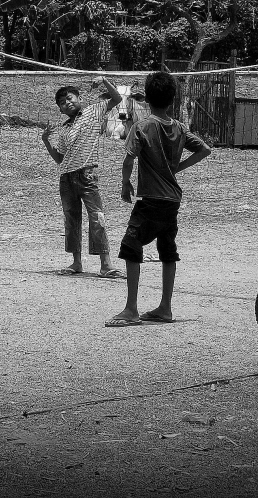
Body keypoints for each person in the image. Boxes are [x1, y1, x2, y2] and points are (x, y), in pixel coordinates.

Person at [105, 70, 211, 327]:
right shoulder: (179, 128)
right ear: (172, 100)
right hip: (172, 199)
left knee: (131, 245)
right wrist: (177, 168)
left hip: (150, 198)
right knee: (167, 250)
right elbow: (205, 149)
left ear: (147, 99)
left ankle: (131, 309)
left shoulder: (142, 126)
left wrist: (125, 183)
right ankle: (165, 307)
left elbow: (129, 158)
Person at [41, 76, 124, 278]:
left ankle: (106, 265)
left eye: (69, 98)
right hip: (67, 178)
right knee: (71, 219)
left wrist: (104, 79)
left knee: (97, 218)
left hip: (87, 174)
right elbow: (60, 159)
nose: (67, 104)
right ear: (60, 110)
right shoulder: (64, 129)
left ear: (79, 98)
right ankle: (76, 263)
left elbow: (117, 98)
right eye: (62, 103)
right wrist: (46, 140)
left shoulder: (93, 112)